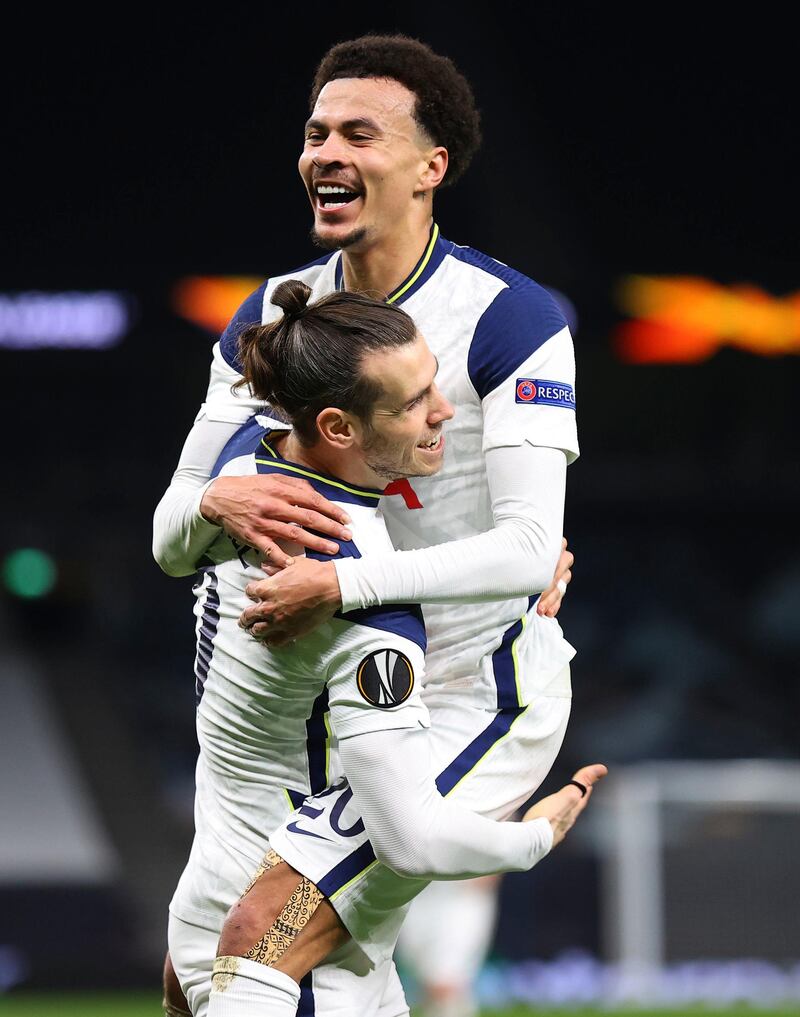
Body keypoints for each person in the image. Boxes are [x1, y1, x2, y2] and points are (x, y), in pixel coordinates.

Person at [154, 33, 581, 1017]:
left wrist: (338, 584)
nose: (325, 152)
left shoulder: (506, 319)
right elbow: (173, 530)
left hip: (467, 697)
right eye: (314, 134)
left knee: (261, 937)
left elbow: (525, 548)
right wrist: (214, 502)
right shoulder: (272, 317)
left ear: (430, 167)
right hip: (321, 705)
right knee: (195, 978)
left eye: (358, 133)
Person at [166, 279, 605, 1017]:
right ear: (338, 426)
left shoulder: (244, 469)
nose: (446, 413)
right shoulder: (372, 610)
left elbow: (169, 539)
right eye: (415, 402)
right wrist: (531, 837)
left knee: (248, 943)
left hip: (234, 905)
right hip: (253, 922)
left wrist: (205, 499)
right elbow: (411, 838)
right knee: (237, 950)